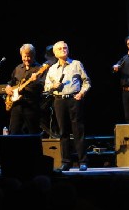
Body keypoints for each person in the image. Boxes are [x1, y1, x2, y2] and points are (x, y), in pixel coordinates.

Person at [44, 41, 91, 171]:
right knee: (63, 132)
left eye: (65, 48)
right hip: (59, 101)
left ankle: (83, 161)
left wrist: (81, 93)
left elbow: (87, 82)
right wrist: (52, 87)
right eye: (60, 48)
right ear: (55, 53)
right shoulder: (52, 69)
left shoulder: (76, 64)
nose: (63, 50)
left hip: (74, 100)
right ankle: (66, 161)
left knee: (78, 130)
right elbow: (46, 87)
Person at [5, 43, 51, 135]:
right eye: (24, 56)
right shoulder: (18, 68)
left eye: (29, 56)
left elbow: (43, 86)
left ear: (33, 55)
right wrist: (8, 87)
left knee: (33, 133)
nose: (26, 59)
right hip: (16, 106)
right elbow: (11, 81)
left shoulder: (40, 69)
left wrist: (36, 80)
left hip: (32, 105)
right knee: (14, 132)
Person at [37, 44, 60, 138]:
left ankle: (54, 133)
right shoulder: (46, 65)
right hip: (46, 94)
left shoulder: (58, 65)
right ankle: (51, 133)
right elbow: (40, 80)